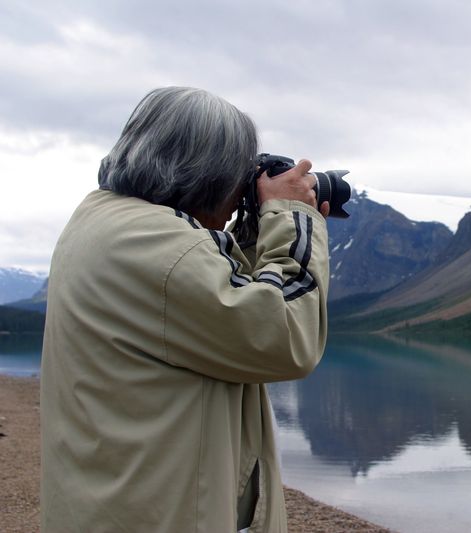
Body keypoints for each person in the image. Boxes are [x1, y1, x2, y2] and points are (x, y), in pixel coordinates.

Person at [40, 87, 330, 532]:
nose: (239, 192)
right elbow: (284, 336)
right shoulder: (160, 248)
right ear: (206, 173)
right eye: (237, 175)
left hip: (120, 499)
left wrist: (255, 226)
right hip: (159, 513)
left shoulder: (109, 221)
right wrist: (292, 216)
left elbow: (218, 306)